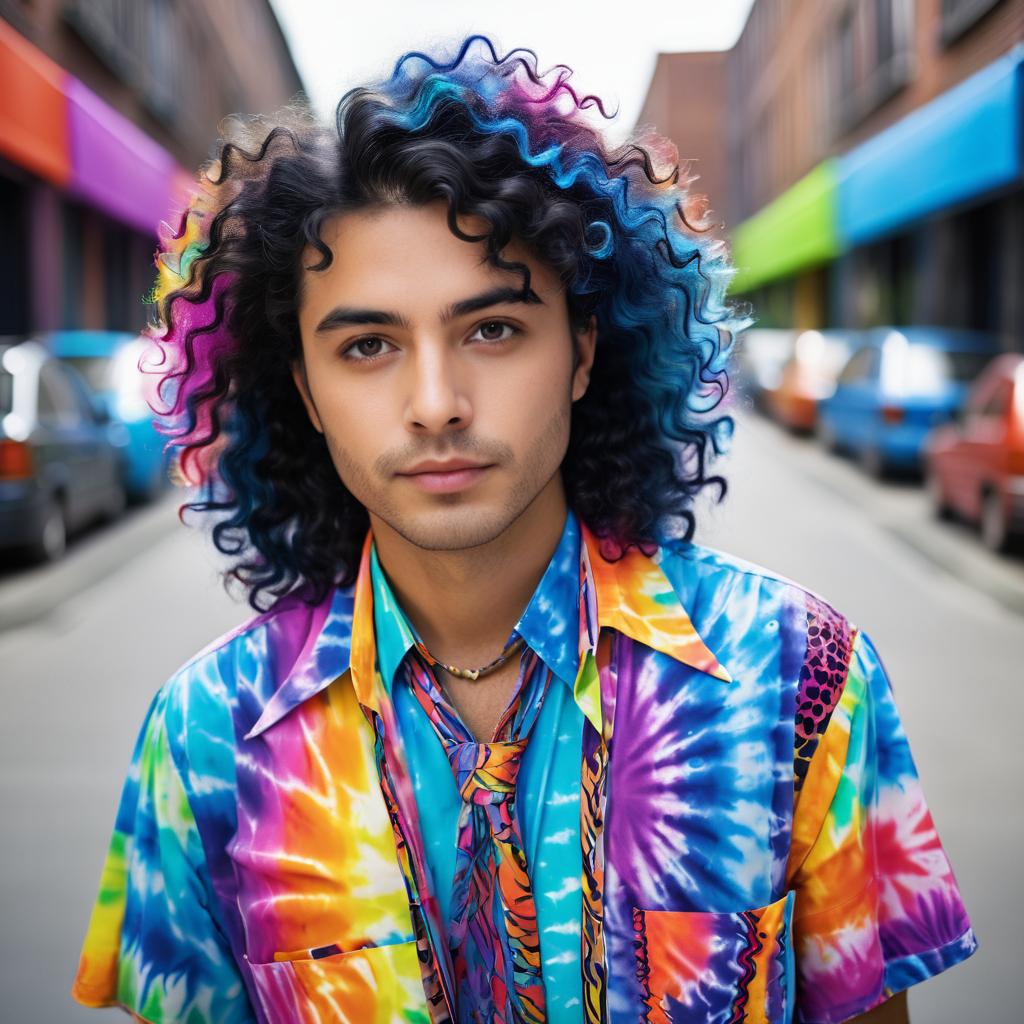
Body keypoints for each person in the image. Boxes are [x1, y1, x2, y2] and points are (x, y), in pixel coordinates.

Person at [72, 36, 975, 1024]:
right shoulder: (206, 736)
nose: (435, 403)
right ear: (306, 390)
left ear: (584, 350)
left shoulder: (800, 676)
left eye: (492, 329)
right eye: (367, 345)